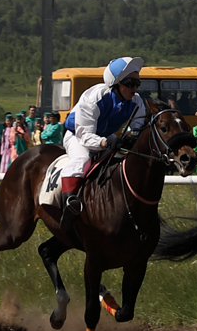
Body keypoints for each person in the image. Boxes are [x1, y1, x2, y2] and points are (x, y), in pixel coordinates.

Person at [60, 56, 149, 220]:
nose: (135, 88)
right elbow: (85, 135)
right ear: (116, 84)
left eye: (137, 83)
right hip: (77, 134)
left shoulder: (136, 102)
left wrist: (132, 137)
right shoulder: (95, 97)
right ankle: (69, 203)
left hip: (104, 135)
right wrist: (105, 142)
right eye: (130, 83)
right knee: (82, 159)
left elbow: (138, 126)